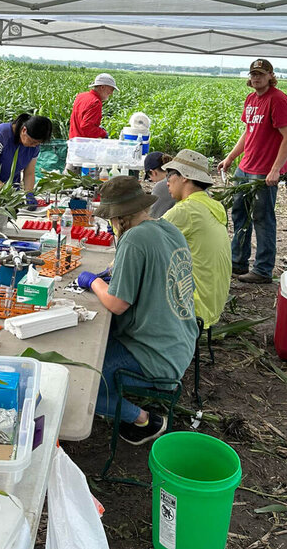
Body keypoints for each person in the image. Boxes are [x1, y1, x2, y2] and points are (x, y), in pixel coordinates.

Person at [76, 176, 198, 445]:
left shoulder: (133, 238)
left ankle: (143, 420)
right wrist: (114, 274)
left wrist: (94, 282)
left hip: (156, 354)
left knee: (80, 382)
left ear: (119, 219)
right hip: (180, 341)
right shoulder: (167, 228)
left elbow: (117, 304)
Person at [217, 59, 287, 284]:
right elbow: (248, 132)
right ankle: (238, 261)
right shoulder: (251, 99)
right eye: (253, 74)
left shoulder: (278, 100)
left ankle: (262, 269)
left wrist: (275, 169)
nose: (256, 78)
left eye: (261, 74)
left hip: (264, 172)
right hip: (246, 167)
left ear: (271, 75)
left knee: (262, 218)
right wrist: (231, 157)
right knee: (239, 214)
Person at [162, 150, 231, 329]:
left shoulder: (186, 211)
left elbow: (143, 240)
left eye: (170, 174)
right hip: (213, 303)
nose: (167, 181)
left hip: (194, 310)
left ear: (184, 176)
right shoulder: (213, 205)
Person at [0, 113, 53, 208]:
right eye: (33, 142)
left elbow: (29, 173)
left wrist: (29, 194)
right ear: (24, 130)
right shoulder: (0, 134)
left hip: (8, 195)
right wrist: (7, 192)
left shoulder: (34, 146)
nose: (34, 145)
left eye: (38, 143)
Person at [69, 73, 118, 140]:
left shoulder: (81, 96)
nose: (111, 93)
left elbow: (80, 121)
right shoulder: (95, 102)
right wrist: (103, 133)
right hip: (83, 144)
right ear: (102, 87)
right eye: (111, 89)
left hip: (73, 140)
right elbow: (87, 127)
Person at [143, 151, 175, 218]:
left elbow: (153, 219)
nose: (152, 181)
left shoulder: (161, 186)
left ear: (153, 172)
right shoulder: (177, 177)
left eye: (150, 177)